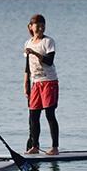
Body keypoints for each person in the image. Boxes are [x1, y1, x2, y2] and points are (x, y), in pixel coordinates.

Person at [24, 14, 60, 155]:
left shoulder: (48, 42)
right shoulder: (28, 43)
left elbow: (49, 61)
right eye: (37, 25)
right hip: (35, 83)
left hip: (49, 81)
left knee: (50, 114)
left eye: (42, 25)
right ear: (30, 27)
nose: (40, 28)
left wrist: (35, 53)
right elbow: (27, 66)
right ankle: (34, 146)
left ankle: (55, 147)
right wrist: (26, 82)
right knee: (33, 115)